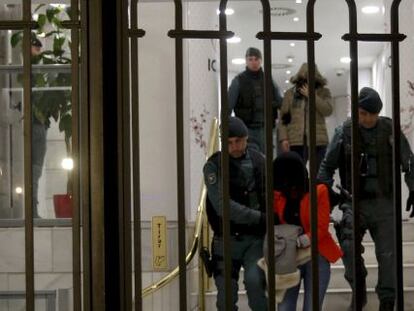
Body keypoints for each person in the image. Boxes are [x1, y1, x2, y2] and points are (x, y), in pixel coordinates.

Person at [317, 87, 414, 311]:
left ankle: (387, 301)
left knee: (388, 256)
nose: (366, 118)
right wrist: (324, 195)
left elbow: (409, 163)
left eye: (370, 114)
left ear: (378, 113)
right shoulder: (344, 132)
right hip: (354, 202)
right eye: (361, 113)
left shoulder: (390, 131)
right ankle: (358, 288)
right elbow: (326, 167)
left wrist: (413, 188)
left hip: (384, 203)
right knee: (348, 246)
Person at [203, 116, 267, 311]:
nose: (234, 146)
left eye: (238, 141)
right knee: (225, 299)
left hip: (254, 239)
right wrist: (259, 217)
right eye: (229, 143)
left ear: (246, 138)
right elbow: (223, 205)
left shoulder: (259, 160)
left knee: (256, 286)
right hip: (226, 240)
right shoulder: (214, 166)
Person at [272, 151, 342, 311]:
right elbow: (275, 223)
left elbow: (321, 227)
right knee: (284, 307)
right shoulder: (277, 193)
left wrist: (303, 239)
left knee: (312, 307)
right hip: (289, 256)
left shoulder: (319, 190)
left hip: (316, 254)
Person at [278, 63, 333, 170]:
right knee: (296, 173)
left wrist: (312, 96)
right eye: (304, 77)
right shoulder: (290, 93)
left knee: (319, 173)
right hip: (296, 140)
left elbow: (328, 110)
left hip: (318, 140)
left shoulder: (324, 92)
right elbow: (284, 117)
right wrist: (284, 138)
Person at [228, 47, 283, 153]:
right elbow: (228, 106)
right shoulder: (238, 80)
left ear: (261, 60)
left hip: (266, 128)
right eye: (250, 59)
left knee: (266, 161)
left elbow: (280, 101)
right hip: (246, 128)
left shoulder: (268, 80)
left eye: (256, 59)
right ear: (246, 61)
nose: (253, 62)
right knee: (249, 159)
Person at [31, 34, 46, 218]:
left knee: (36, 171)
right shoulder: (27, 71)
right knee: (34, 171)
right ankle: (32, 211)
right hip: (32, 125)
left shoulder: (40, 71)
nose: (38, 52)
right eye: (36, 48)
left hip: (39, 124)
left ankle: (33, 210)